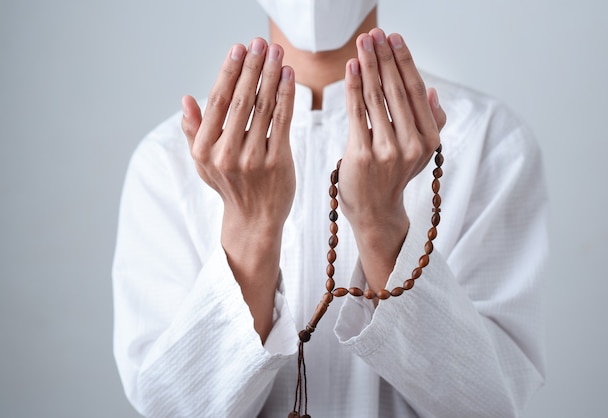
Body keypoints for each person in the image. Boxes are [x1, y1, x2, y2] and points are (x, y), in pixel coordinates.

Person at [113, 0, 548, 416]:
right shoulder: (170, 159)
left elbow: (489, 403)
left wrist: (381, 223)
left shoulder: (487, 140)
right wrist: (252, 225)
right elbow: (174, 406)